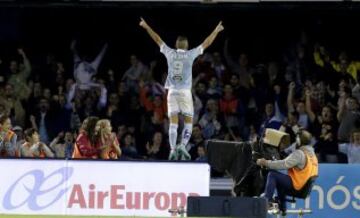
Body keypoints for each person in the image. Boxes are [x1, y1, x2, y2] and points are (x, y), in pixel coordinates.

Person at [139, 17, 224, 160]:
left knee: (173, 123)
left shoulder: (170, 53)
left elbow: (157, 39)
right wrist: (216, 30)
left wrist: (146, 26)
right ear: (187, 45)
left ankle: (172, 149)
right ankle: (183, 146)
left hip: (171, 92)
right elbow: (207, 42)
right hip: (185, 93)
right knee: (189, 122)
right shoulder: (191, 54)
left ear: (176, 45)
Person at [256, 129, 318, 215]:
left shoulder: (300, 153)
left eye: (296, 139)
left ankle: (267, 202)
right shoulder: (313, 156)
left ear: (299, 140)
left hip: (297, 186)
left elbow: (283, 164)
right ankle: (283, 208)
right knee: (281, 181)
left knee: (272, 175)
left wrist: (266, 163)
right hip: (303, 189)